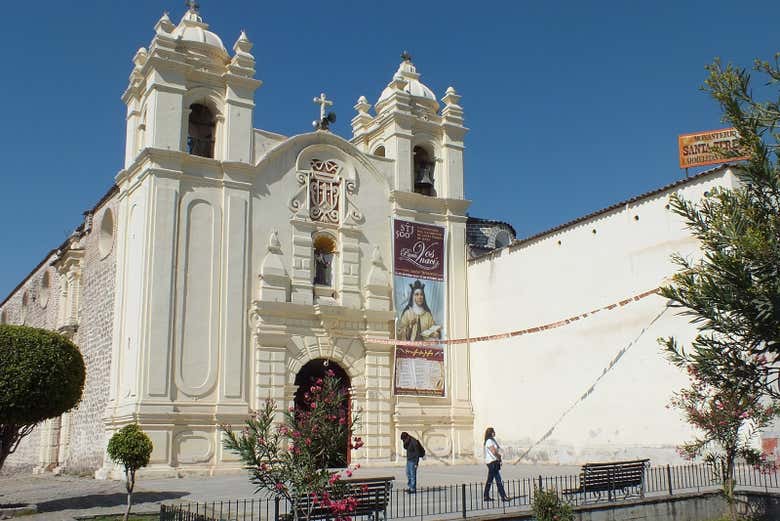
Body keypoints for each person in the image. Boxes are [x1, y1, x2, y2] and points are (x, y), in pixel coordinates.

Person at [483, 427, 510, 502]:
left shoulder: (492, 440)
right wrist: (499, 457)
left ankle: (486, 496)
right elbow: (494, 452)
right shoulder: (489, 441)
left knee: (490, 480)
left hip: (494, 462)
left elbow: (498, 449)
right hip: (492, 463)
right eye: (493, 431)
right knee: (498, 480)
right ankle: (503, 496)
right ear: (490, 433)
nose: (494, 432)